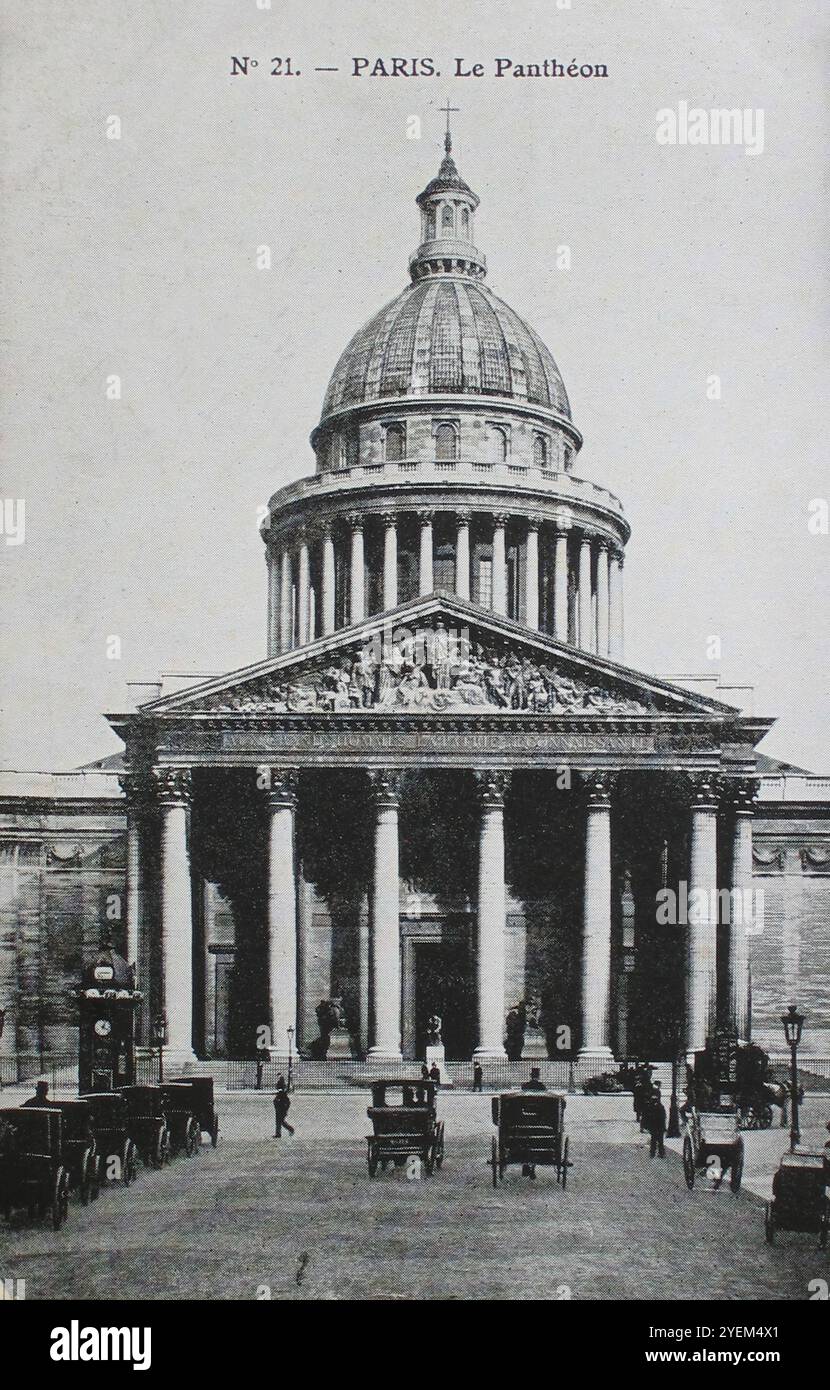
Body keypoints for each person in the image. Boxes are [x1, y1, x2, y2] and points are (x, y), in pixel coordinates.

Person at [646, 1085, 667, 1158]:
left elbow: (647, 1117)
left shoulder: (650, 1107)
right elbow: (664, 1117)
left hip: (655, 1126)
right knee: (659, 1140)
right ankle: (660, 1153)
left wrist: (647, 1126)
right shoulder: (661, 1107)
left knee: (654, 1140)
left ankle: (653, 1153)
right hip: (659, 1126)